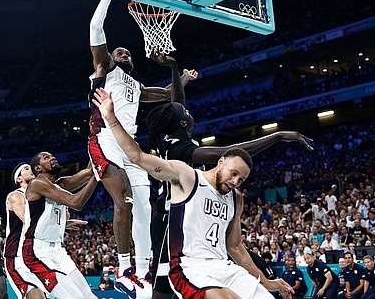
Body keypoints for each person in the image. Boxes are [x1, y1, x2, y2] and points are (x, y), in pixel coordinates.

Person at [92, 88, 294, 299]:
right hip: (185, 259)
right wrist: (111, 117)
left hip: (222, 265)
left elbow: (235, 246)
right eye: (233, 174)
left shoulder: (236, 198)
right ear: (221, 161)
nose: (235, 182)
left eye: (241, 179)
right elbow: (137, 157)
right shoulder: (186, 174)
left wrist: (267, 282)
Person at [144, 99, 313, 298]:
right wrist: (278, 137)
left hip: (194, 215)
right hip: (170, 221)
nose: (189, 111)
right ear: (182, 123)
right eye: (186, 111)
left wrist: (178, 74)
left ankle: (267, 285)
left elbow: (177, 102)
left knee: (251, 262)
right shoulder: (178, 149)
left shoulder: (181, 141)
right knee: (164, 288)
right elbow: (232, 153)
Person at [87, 0, 192, 298]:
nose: (121, 52)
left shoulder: (138, 87)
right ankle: (122, 269)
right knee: (126, 203)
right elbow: (95, 25)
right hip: (104, 137)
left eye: (126, 52)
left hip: (129, 144)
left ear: (133, 61)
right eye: (117, 51)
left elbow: (171, 94)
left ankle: (144, 269)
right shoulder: (105, 70)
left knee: (145, 208)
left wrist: (178, 72)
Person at [17, 152, 98, 299]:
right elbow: (76, 203)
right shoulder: (37, 183)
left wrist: (97, 143)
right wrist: (97, 177)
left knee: (88, 296)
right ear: (38, 168)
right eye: (46, 158)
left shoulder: (59, 184)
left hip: (58, 251)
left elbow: (89, 172)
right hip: (37, 252)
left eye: (52, 156)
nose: (52, 158)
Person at [4, 163, 45, 299]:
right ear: (19, 179)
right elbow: (28, 221)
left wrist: (64, 223)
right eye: (26, 169)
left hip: (34, 253)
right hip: (17, 255)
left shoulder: (38, 197)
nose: (31, 170)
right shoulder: (16, 196)